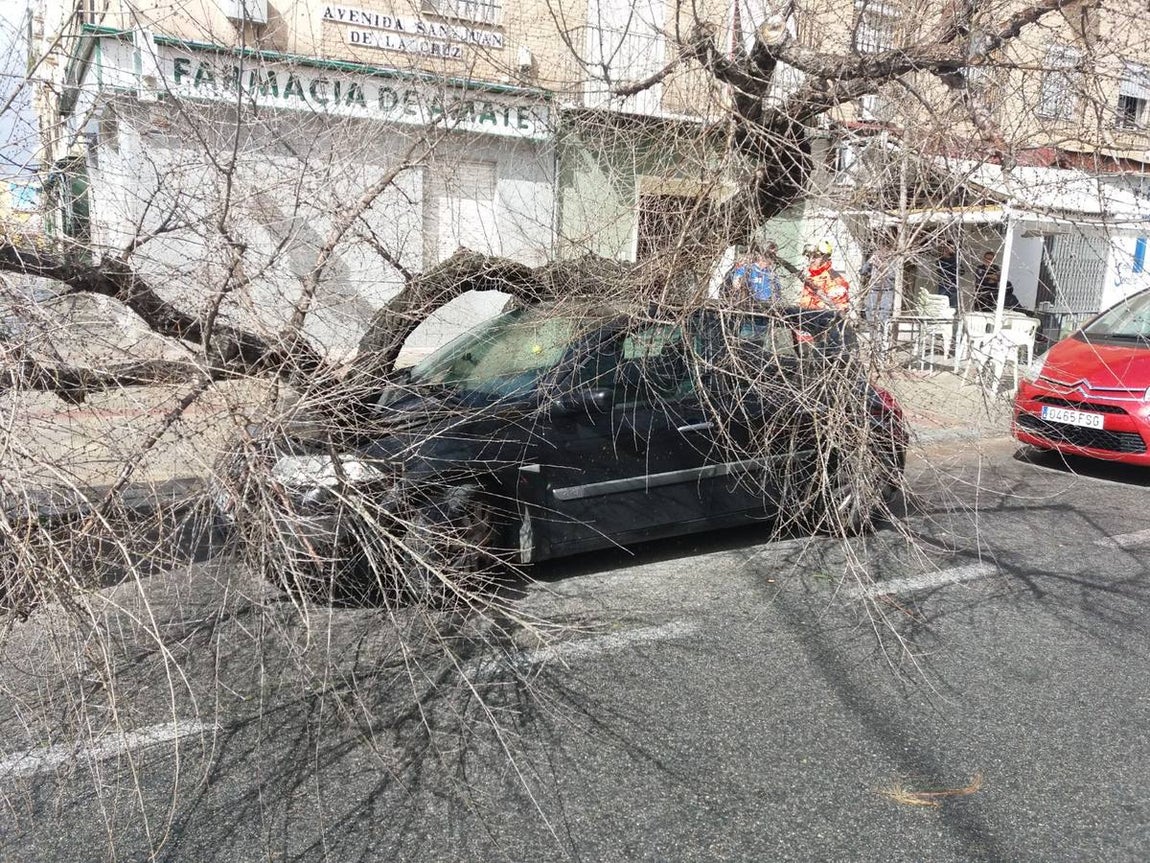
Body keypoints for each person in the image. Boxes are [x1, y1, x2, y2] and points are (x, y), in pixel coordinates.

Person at [799, 240, 850, 312]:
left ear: (825, 257)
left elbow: (838, 308)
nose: (811, 260)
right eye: (809, 257)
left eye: (815, 257)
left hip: (822, 320)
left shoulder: (834, 278)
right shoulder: (811, 277)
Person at [860, 243, 896, 326]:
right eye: (878, 250)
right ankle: (872, 335)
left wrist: (879, 266)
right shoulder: (874, 260)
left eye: (883, 250)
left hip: (886, 291)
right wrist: (869, 262)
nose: (880, 252)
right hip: (873, 290)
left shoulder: (892, 261)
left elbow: (891, 275)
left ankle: (882, 336)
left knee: (883, 316)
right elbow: (862, 272)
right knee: (870, 313)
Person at [935, 241, 959, 308]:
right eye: (949, 248)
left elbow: (961, 271)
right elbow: (940, 271)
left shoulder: (955, 260)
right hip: (943, 285)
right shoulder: (940, 260)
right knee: (942, 305)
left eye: (952, 248)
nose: (951, 249)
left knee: (953, 305)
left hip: (953, 285)